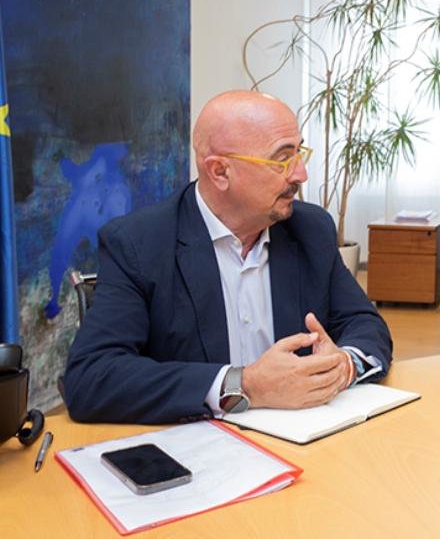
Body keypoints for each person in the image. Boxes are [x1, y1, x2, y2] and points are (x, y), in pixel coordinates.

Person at [64, 90, 392, 424]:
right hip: (197, 447)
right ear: (220, 172)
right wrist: (243, 385)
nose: (300, 174)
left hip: (301, 438)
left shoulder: (308, 229)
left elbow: (365, 325)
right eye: (282, 159)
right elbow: (92, 377)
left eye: (299, 153)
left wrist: (342, 367)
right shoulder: (138, 244)